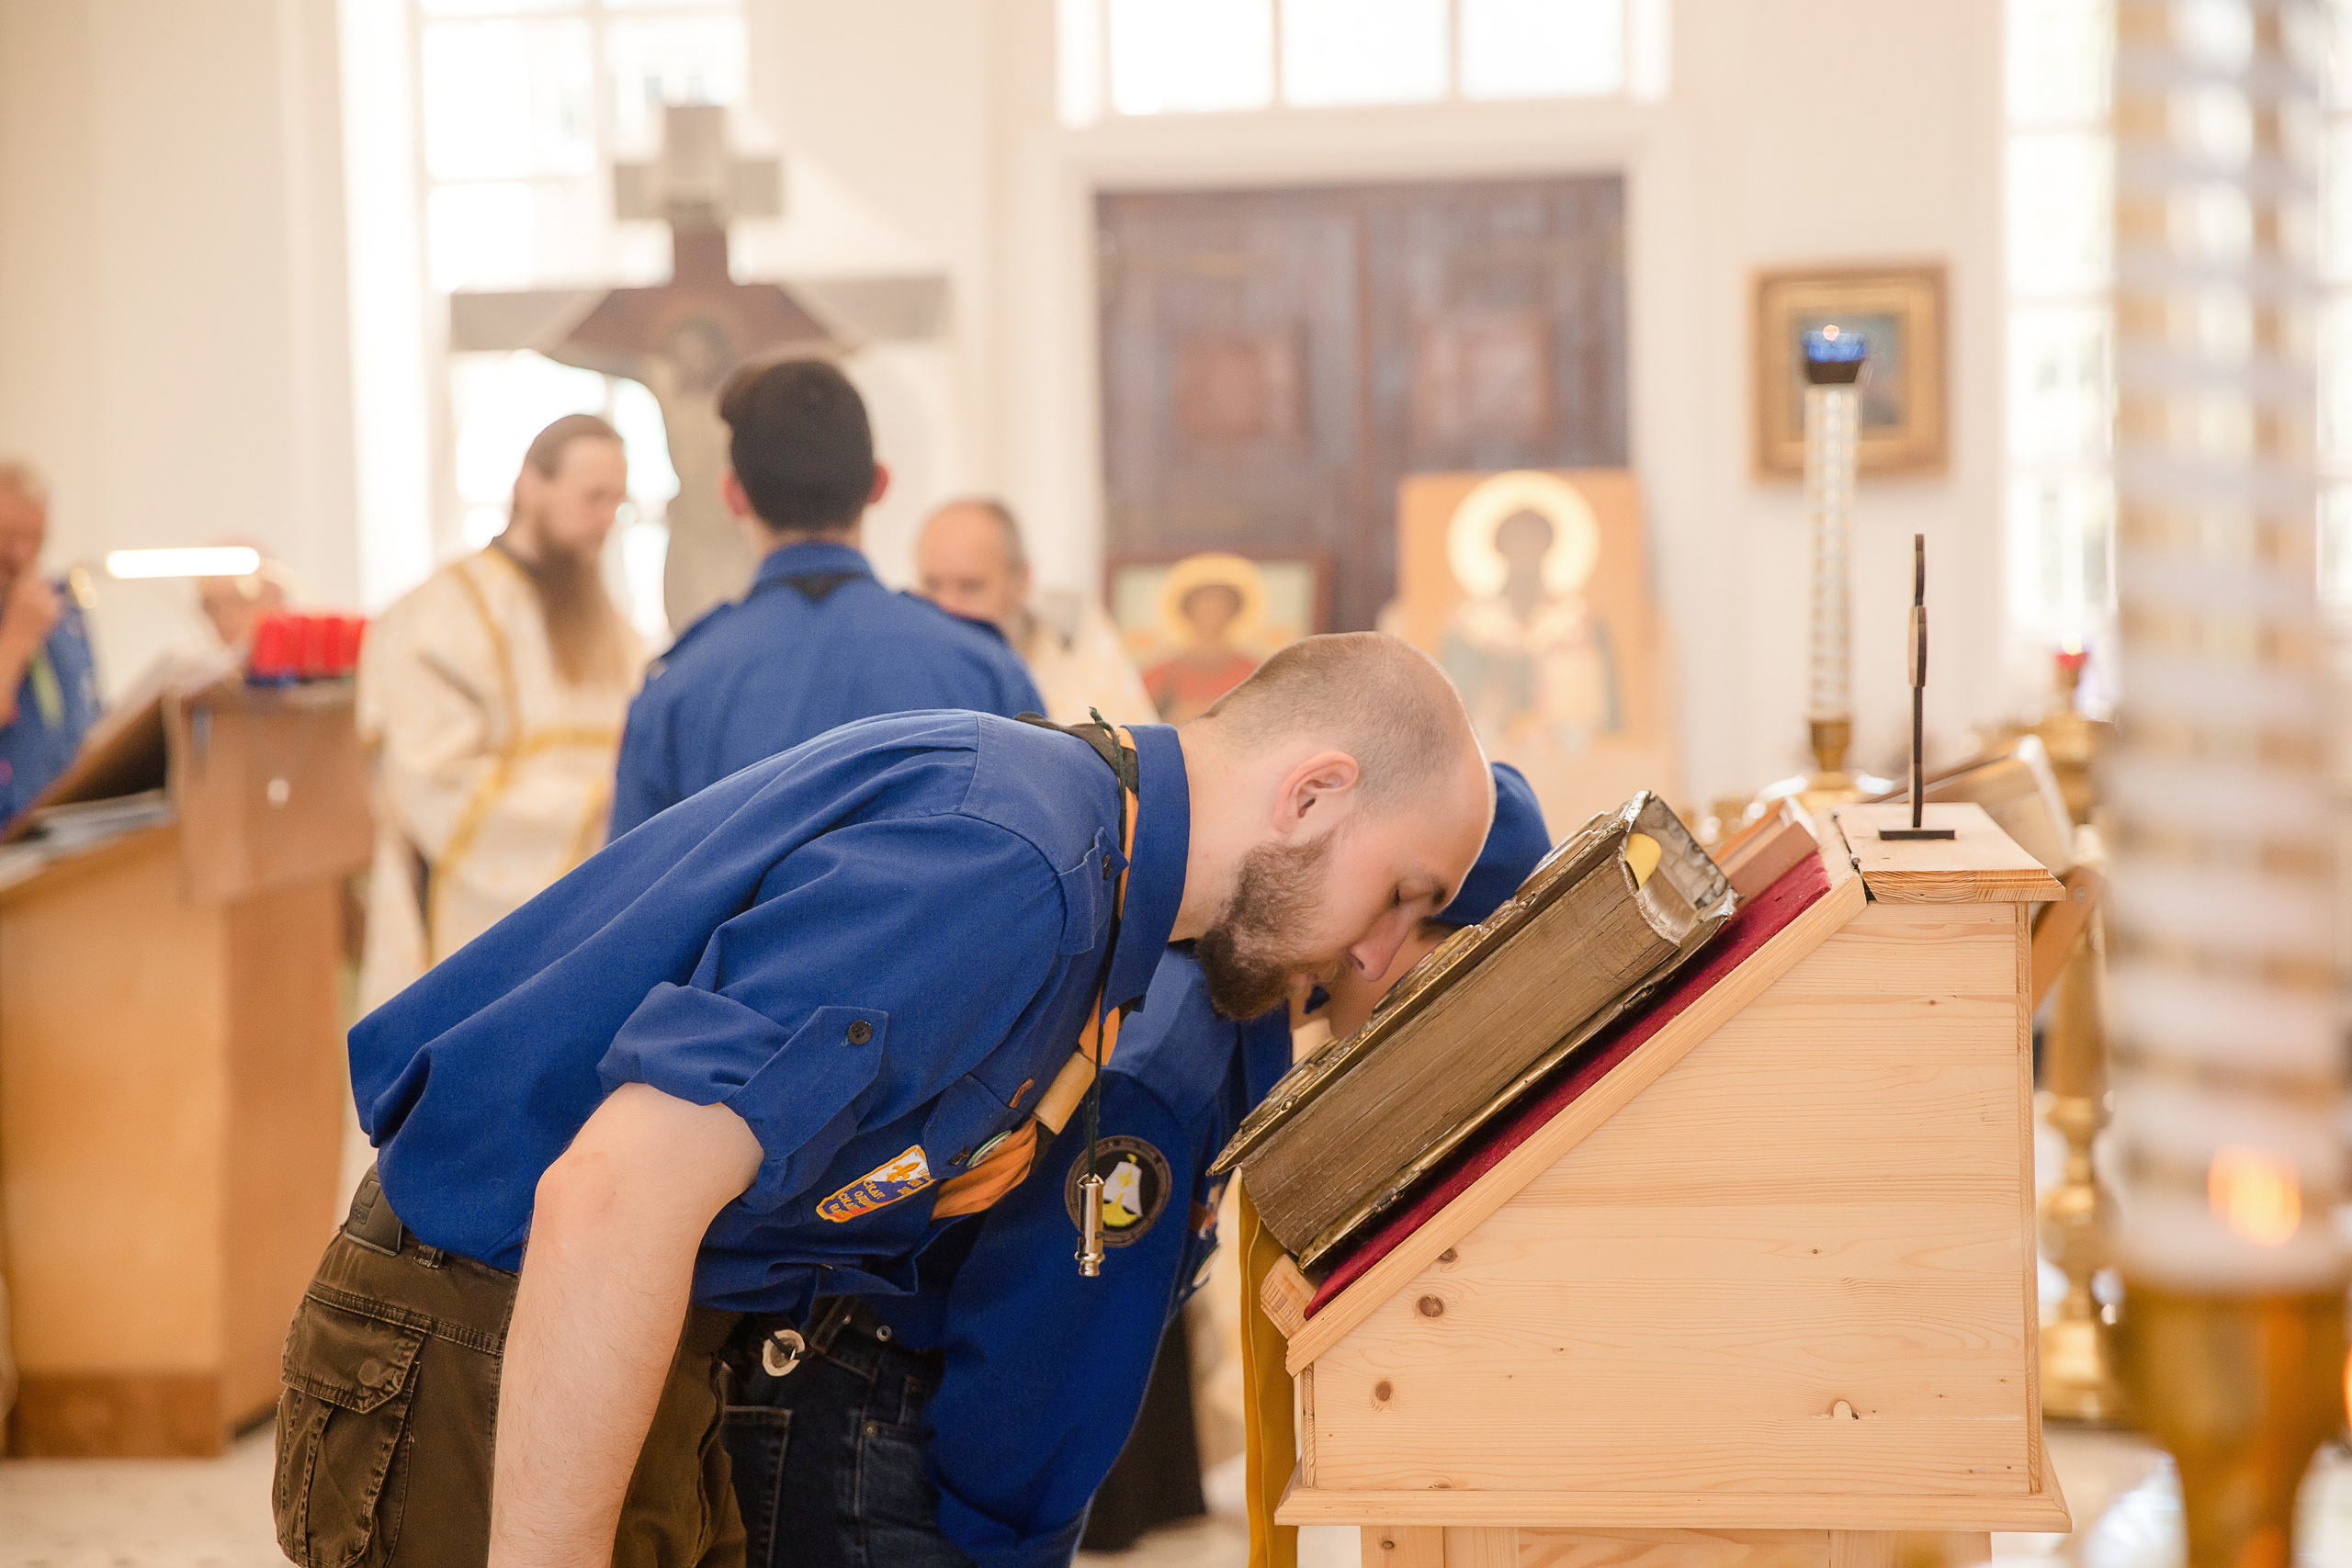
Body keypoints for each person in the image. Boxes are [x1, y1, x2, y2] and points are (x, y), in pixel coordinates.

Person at [276, 633, 1494, 1568]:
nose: (1381, 953)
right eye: (1400, 891)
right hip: (491, 1325)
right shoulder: (1011, 865)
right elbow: (612, 1194)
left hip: (600, 1335)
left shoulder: (1085, 869)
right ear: (1316, 792)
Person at [718, 762, 1554, 1568]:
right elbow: (1035, 1364)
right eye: (1459, 971)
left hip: (900, 1410)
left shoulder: (1221, 1009)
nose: (1447, 1019)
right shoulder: (1174, 1060)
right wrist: (1016, 1540)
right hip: (889, 1426)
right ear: (1387, 917)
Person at [611, 363, 1041, 838]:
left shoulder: (676, 692)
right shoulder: (987, 671)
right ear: (879, 485)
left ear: (733, 496)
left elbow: (634, 899)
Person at [355, 413, 645, 1011]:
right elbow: (432, 783)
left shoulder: (611, 627)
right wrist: (598, 807)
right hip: (479, 928)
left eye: (617, 503)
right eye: (593, 498)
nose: (606, 520)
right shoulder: (437, 617)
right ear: (530, 485)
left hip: (602, 917)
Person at [913, 498, 1152, 727]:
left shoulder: (1079, 653)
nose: (946, 606)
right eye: (932, 585)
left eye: (971, 587)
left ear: (1021, 582)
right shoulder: (909, 661)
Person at [0, 461, 100, 826]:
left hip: (67, 819)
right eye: (9, 536)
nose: (23, 554)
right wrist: (18, 637)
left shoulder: (62, 607)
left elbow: (88, 713)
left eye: (36, 538)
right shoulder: (27, 617)